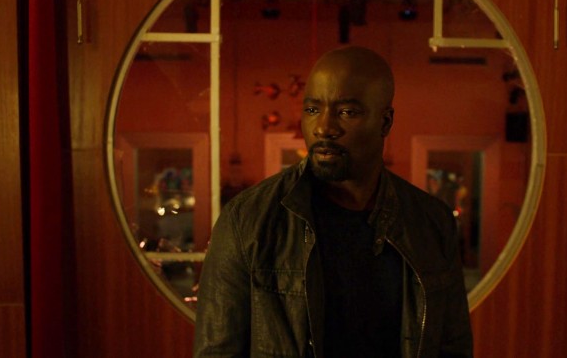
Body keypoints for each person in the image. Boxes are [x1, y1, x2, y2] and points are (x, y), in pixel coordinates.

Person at [194, 46, 473, 358]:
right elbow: (217, 351)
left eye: (347, 112)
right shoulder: (248, 220)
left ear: (385, 122)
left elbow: (453, 346)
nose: (324, 128)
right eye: (313, 109)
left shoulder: (431, 222)